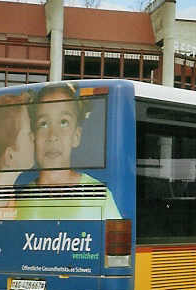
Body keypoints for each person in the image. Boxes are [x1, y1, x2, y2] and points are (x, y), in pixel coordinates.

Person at [17, 82, 121, 220]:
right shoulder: (21, 199)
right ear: (33, 138)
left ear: (76, 136)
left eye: (63, 122)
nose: (53, 136)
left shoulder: (99, 195)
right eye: (43, 124)